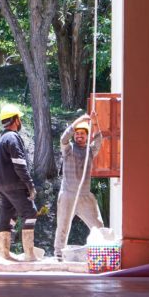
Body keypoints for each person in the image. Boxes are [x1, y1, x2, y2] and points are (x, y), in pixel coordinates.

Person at [53, 112, 104, 261]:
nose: (79, 136)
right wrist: (79, 121)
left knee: (98, 225)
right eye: (77, 133)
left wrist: (94, 122)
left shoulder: (90, 151)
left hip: (84, 196)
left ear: (87, 136)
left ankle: (101, 252)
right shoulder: (68, 149)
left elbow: (99, 139)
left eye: (82, 133)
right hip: (68, 194)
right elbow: (63, 138)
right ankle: (58, 254)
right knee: (62, 225)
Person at [0, 104, 40, 262]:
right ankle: (29, 254)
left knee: (9, 215)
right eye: (19, 118)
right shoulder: (12, 138)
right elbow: (20, 164)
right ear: (15, 120)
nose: (20, 121)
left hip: (3, 185)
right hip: (15, 184)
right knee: (31, 213)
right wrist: (30, 185)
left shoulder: (0, 138)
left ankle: (3, 253)